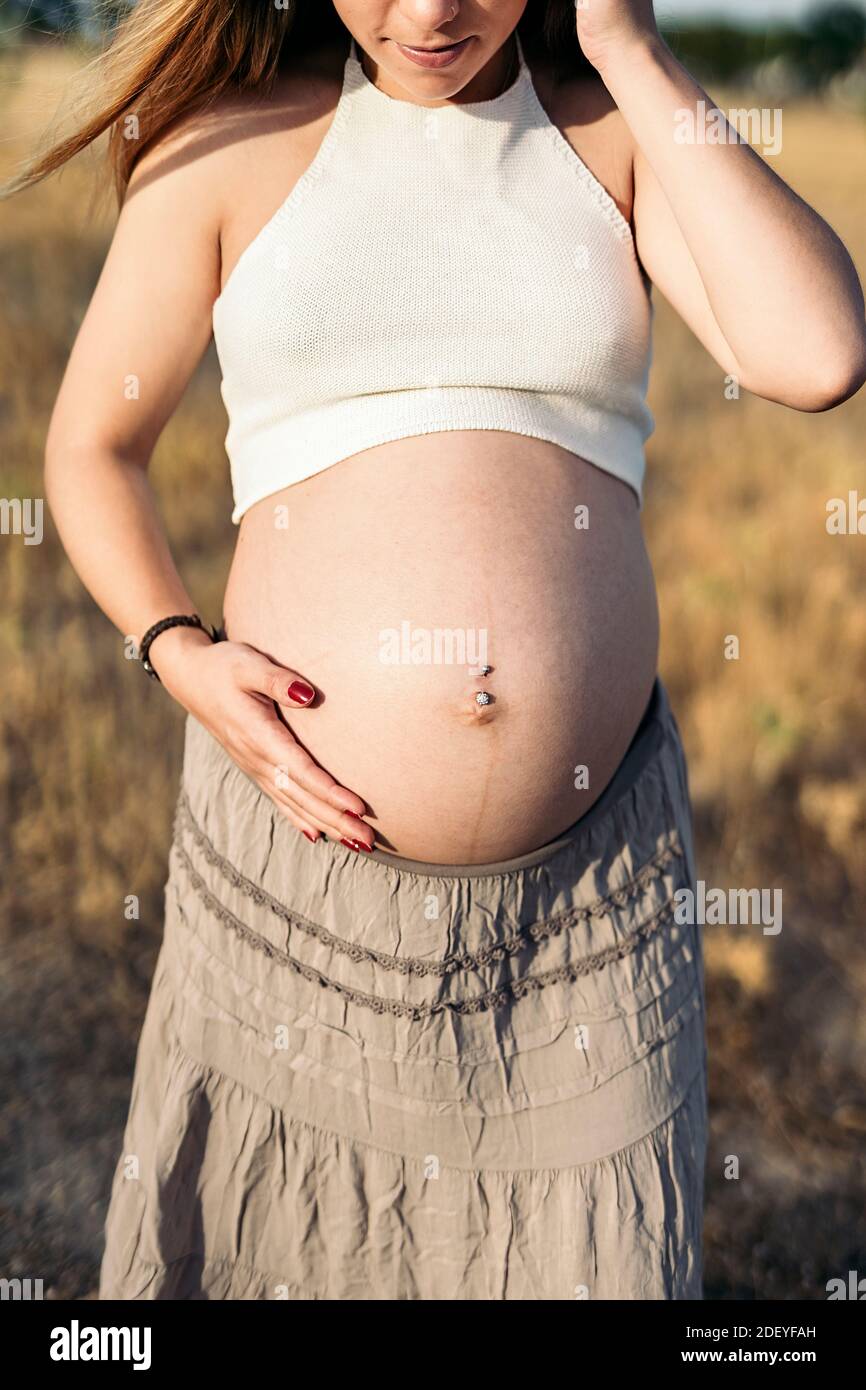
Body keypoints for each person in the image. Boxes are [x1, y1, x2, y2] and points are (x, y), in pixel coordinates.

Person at [16, 0, 866, 1299]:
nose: (426, 12)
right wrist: (173, 647)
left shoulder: (607, 138)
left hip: (583, 913)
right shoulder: (234, 143)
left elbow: (812, 353)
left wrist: (629, 46)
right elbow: (90, 449)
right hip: (298, 893)